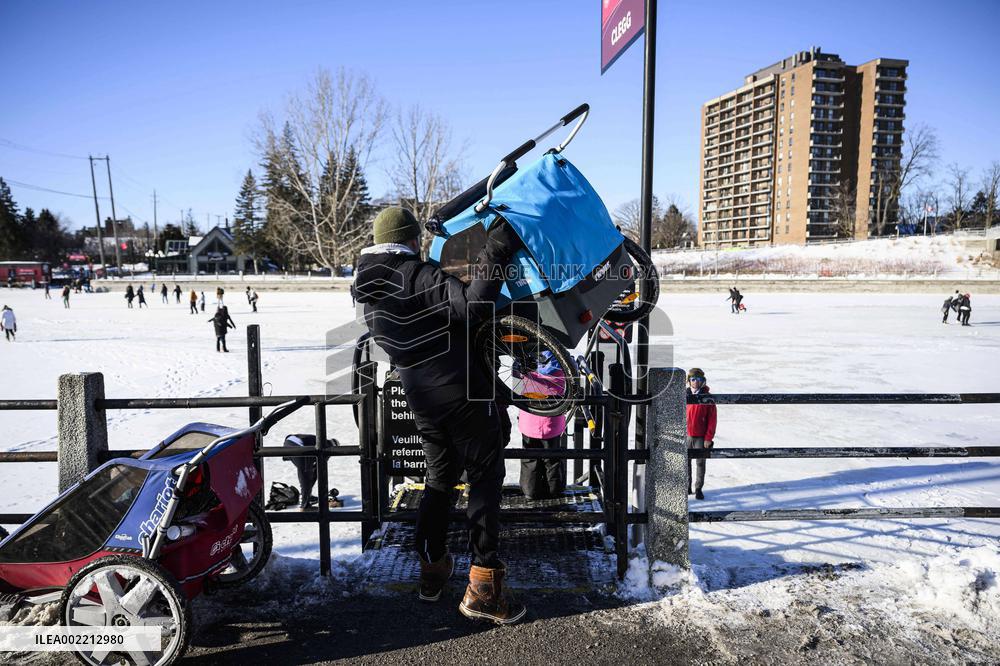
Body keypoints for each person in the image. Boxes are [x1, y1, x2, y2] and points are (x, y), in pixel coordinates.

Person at [353, 206, 524, 623]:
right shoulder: (414, 273)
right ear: (412, 240)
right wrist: (497, 249)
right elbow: (472, 304)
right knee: (485, 476)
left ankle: (432, 568)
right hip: (461, 390)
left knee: (439, 479)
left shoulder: (369, 286)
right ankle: (485, 587)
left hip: (420, 394)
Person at [517, 351, 567, 500]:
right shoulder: (561, 362)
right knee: (552, 459)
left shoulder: (525, 361)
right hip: (552, 421)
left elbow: (515, 382)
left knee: (529, 459)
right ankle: (554, 491)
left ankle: (530, 491)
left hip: (528, 419)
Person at [686, 368, 717, 501]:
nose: (696, 382)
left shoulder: (707, 397)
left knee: (700, 463)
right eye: (693, 379)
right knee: (685, 462)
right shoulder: (684, 395)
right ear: (689, 381)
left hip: (700, 436)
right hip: (686, 435)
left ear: (703, 381)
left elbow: (712, 420)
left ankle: (698, 488)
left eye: (699, 380)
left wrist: (708, 438)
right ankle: (686, 486)